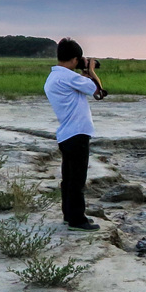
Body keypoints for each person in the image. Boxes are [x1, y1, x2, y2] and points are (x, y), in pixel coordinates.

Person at [44, 38, 104, 231]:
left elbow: (83, 88)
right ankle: (77, 220)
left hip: (66, 133)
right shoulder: (69, 77)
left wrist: (84, 73)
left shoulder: (54, 77)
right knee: (77, 179)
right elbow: (97, 90)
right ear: (75, 59)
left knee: (69, 179)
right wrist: (91, 71)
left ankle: (69, 215)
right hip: (78, 133)